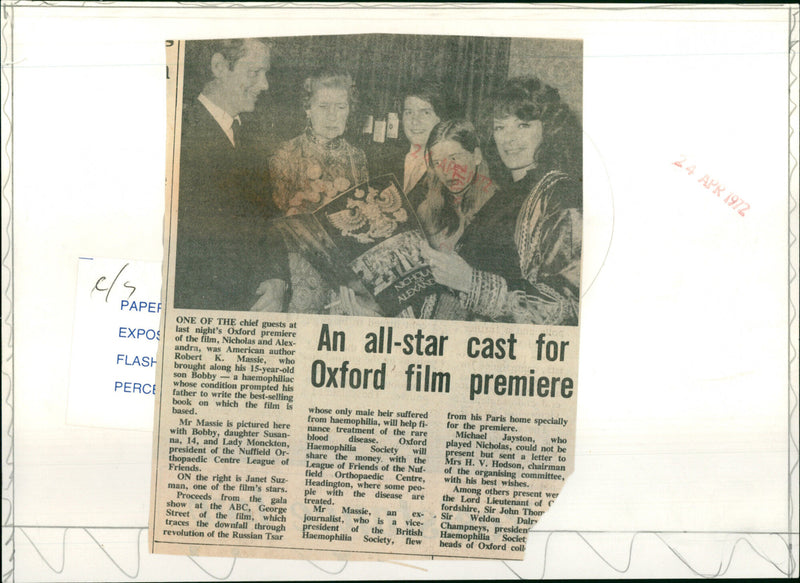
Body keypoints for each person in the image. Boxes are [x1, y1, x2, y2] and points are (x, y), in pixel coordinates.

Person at [421, 77, 582, 325]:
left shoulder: (560, 194)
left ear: (548, 129)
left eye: (522, 125)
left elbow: (567, 306)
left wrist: (472, 283)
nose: (509, 138)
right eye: (500, 127)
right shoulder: (505, 194)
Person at [174, 38, 278, 311]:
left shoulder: (249, 136)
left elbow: (269, 220)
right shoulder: (179, 135)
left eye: (265, 73)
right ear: (219, 66)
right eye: (254, 72)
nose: (265, 85)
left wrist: (278, 280)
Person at [270, 71, 368, 216]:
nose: (332, 116)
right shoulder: (285, 153)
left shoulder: (358, 156)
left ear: (349, 111)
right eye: (323, 106)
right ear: (308, 109)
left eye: (341, 107)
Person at [368, 79, 456, 210]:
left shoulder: (452, 170)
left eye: (425, 112)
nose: (414, 121)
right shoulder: (383, 162)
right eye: (409, 112)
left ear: (441, 119)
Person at [418, 119, 497, 252]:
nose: (446, 170)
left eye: (454, 158)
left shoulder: (497, 207)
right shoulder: (425, 211)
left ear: (476, 156)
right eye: (437, 162)